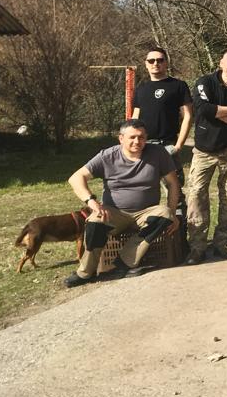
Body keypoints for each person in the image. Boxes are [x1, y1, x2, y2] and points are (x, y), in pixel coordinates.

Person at [64, 119, 180, 287]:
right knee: (95, 222)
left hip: (146, 212)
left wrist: (173, 213)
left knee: (166, 213)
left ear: (146, 137)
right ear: (121, 138)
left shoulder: (158, 153)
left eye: (141, 137)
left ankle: (124, 263)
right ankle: (85, 272)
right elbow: (76, 178)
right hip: (114, 213)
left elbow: (173, 183)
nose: (137, 142)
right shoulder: (107, 156)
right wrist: (91, 201)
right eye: (132, 137)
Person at [185, 49, 227, 263]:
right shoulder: (204, 82)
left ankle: (221, 241)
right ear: (221, 62)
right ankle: (197, 246)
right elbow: (203, 108)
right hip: (204, 151)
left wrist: (222, 114)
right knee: (196, 195)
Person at [130, 45, 192, 251]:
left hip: (167, 147)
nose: (156, 64)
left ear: (166, 62)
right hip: (143, 147)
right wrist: (131, 144)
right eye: (151, 61)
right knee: (142, 193)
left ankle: (180, 242)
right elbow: (134, 119)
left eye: (160, 60)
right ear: (146, 65)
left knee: (176, 194)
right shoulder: (140, 89)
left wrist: (179, 145)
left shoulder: (178, 86)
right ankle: (148, 243)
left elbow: (188, 116)